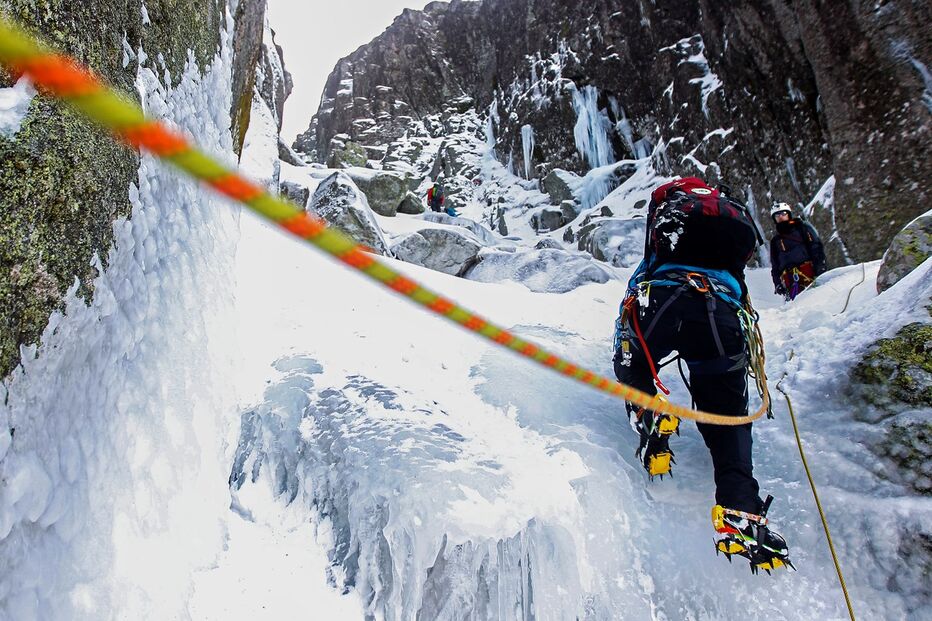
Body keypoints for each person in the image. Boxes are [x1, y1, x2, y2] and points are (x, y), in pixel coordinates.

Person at [612, 177, 792, 573]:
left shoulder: (669, 226)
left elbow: (637, 286)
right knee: (727, 415)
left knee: (634, 361)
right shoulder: (725, 230)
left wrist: (631, 344)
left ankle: (649, 414)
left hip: (662, 299)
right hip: (722, 312)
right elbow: (742, 290)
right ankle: (739, 510)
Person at [769, 202, 826, 300]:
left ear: (789, 214)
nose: (781, 217)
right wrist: (777, 283)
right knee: (797, 308)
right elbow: (775, 265)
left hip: (808, 272)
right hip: (789, 279)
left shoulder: (802, 228)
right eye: (777, 215)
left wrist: (820, 267)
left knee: (817, 299)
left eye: (783, 214)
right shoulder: (776, 241)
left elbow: (816, 248)